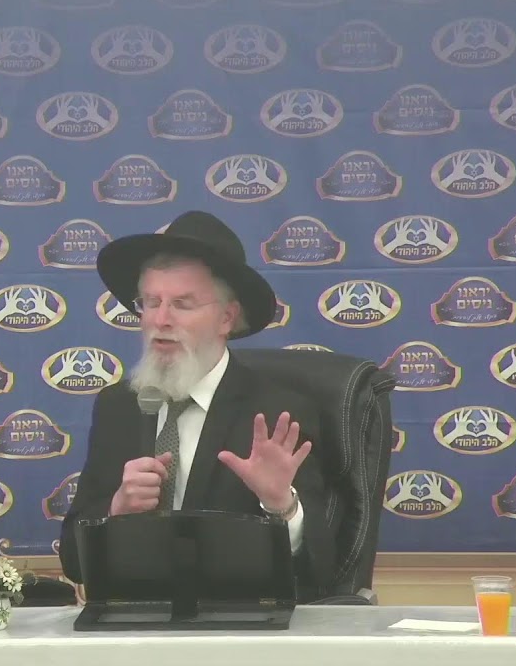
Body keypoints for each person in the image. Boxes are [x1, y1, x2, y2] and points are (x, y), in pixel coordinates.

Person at [58, 210, 338, 602]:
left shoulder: (277, 414)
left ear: (226, 318)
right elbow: (73, 561)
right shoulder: (118, 407)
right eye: (151, 302)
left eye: (182, 304)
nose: (161, 319)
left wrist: (281, 505)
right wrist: (116, 510)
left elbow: (321, 567)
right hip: (132, 625)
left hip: (237, 625)